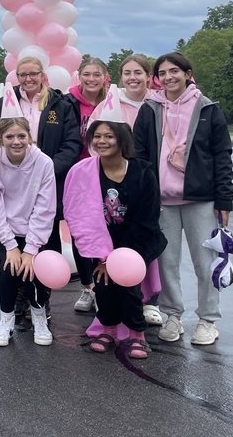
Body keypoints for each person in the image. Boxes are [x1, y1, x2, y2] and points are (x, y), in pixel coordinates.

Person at [134, 52, 233, 346]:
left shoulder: (207, 108)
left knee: (205, 263)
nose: (168, 77)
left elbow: (222, 156)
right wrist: (145, 196)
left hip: (200, 199)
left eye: (174, 71)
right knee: (167, 263)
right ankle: (173, 316)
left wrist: (224, 200)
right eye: (162, 73)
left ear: (188, 74)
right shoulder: (150, 109)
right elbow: (140, 156)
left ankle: (208, 319)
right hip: (162, 202)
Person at [64, 115, 167, 359]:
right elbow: (77, 212)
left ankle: (137, 334)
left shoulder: (143, 171)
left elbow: (147, 218)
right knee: (103, 285)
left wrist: (119, 258)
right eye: (97, 136)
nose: (102, 141)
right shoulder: (83, 172)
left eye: (109, 136)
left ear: (122, 139)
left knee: (128, 283)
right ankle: (108, 330)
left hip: (138, 240)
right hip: (100, 240)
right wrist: (103, 256)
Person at [0, 56, 80, 322]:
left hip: (49, 183)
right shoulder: (5, 102)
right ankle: (19, 295)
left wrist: (48, 169)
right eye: (23, 74)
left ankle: (42, 299)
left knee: (46, 243)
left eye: (33, 74)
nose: (28, 79)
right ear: (17, 77)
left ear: (43, 76)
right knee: (16, 244)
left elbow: (71, 144)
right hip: (13, 187)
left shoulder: (60, 105)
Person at [94, 56, 163, 326]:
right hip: (114, 179)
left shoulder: (158, 103)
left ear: (148, 76)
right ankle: (109, 307)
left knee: (144, 238)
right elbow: (96, 140)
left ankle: (151, 301)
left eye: (138, 72)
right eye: (127, 73)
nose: (132, 77)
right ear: (120, 77)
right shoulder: (110, 103)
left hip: (146, 179)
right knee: (115, 238)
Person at [0, 116, 57, 347]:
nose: (16, 141)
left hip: (36, 228)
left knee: (36, 272)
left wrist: (31, 249)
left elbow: (45, 207)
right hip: (6, 228)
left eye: (21, 136)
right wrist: (11, 245)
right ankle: (6, 320)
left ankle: (39, 317)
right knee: (9, 270)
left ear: (29, 137)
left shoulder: (43, 162)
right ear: (0, 138)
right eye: (10, 136)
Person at [65, 57, 110, 314]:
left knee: (108, 228)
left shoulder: (112, 101)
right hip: (79, 176)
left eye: (97, 74)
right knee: (80, 230)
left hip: (107, 173)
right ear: (79, 76)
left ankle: (107, 284)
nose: (91, 79)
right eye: (87, 74)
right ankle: (87, 286)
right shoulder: (67, 102)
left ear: (105, 77)